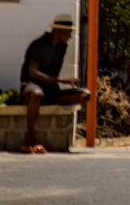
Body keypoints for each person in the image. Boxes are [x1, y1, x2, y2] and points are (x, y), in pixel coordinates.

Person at [20, 14, 89, 153]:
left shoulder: (62, 48)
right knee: (37, 93)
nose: (70, 36)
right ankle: (30, 139)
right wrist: (61, 80)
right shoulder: (38, 45)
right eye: (68, 32)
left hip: (50, 89)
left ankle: (60, 127)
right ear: (58, 31)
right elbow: (33, 73)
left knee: (85, 94)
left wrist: (59, 83)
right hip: (32, 85)